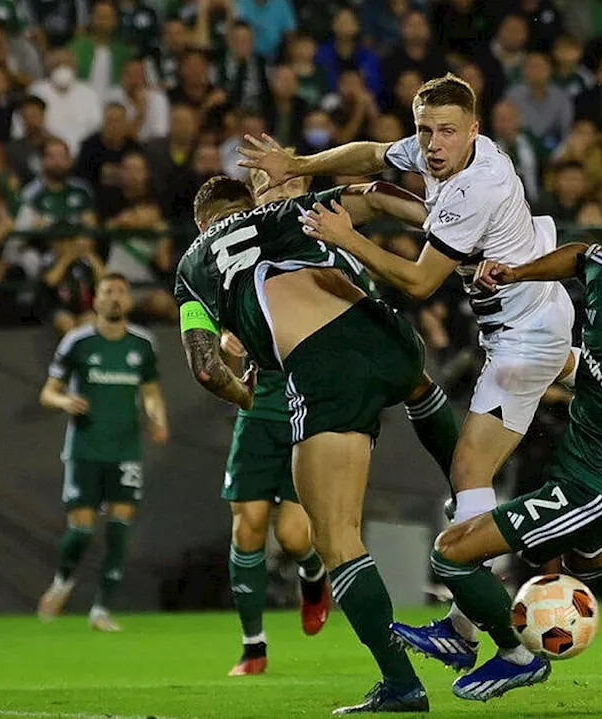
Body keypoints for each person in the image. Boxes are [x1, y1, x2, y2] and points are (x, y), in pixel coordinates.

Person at [240, 73, 578, 658]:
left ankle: (484, 635)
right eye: (425, 131)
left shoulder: (478, 187)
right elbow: (372, 152)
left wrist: (348, 238)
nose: (433, 144)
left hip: (523, 337)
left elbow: (421, 281)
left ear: (476, 130)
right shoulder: (437, 154)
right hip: (529, 316)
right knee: (480, 454)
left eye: (447, 131)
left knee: (469, 474)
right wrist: (298, 160)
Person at [370, 217, 602, 707]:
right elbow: (581, 253)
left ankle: (513, 654)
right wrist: (517, 274)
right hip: (577, 461)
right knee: (591, 564)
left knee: (451, 552)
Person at [176, 173, 456, 713]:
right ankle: (473, 499)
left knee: (335, 539)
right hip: (386, 333)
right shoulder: (279, 218)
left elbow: (207, 370)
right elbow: (374, 195)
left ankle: (402, 684)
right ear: (249, 201)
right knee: (420, 390)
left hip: (319, 374)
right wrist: (449, 229)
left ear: (201, 224)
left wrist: (245, 395)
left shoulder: (193, 268)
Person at [216, 175, 336, 677]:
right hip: (258, 411)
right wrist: (227, 345)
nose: (271, 196)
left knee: (292, 537)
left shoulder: (320, 244)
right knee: (247, 528)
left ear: (302, 188)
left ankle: (312, 573)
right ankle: (253, 646)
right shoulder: (238, 254)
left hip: (304, 410)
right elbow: (222, 327)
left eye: (282, 185)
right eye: (263, 188)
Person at [36, 273, 169, 632]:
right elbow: (48, 392)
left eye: (121, 292)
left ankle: (101, 609)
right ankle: (63, 581)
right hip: (85, 448)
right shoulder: (77, 341)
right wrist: (65, 400)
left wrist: (158, 418)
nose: (115, 298)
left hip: (125, 448)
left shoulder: (143, 343)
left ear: (128, 301)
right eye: (107, 292)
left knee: (120, 527)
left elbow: (152, 391)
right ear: (95, 301)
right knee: (80, 530)